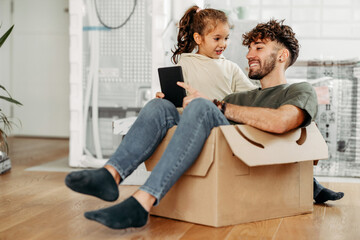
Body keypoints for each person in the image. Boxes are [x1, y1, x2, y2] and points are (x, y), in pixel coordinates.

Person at [65, 19, 343, 230]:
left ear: (281, 56)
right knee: (161, 106)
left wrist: (216, 105)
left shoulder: (298, 91)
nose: (248, 54)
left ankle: (143, 201)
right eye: (248, 48)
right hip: (225, 150)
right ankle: (110, 175)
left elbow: (284, 122)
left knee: (203, 105)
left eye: (258, 47)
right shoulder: (240, 96)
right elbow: (195, 126)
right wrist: (176, 104)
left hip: (248, 162)